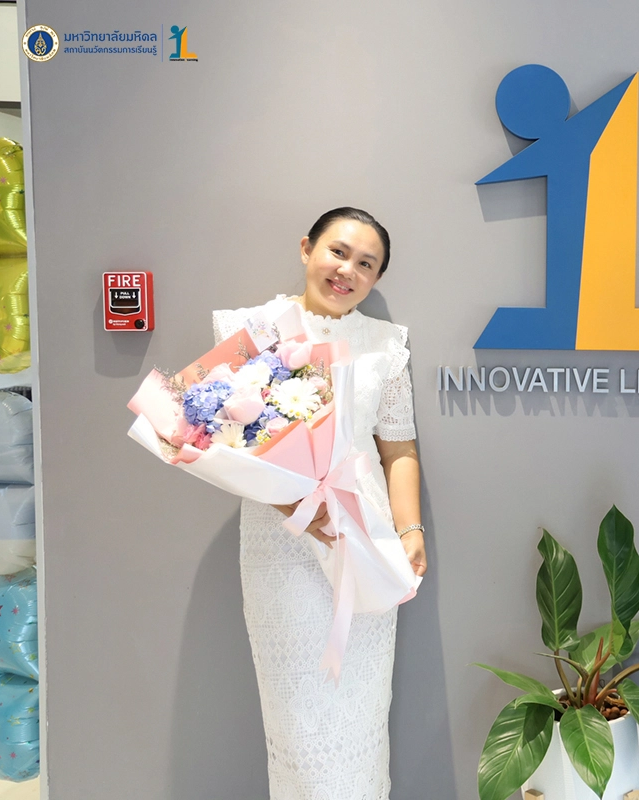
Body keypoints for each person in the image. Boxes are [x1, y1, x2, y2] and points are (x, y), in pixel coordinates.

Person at [212, 207, 427, 799]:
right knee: (297, 717)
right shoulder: (251, 330)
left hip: (365, 539)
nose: (348, 270)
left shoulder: (385, 343)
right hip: (280, 546)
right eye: (338, 252)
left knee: (361, 712)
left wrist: (410, 531)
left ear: (376, 278)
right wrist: (293, 505)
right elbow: (226, 438)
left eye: (366, 264)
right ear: (307, 248)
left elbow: (398, 447)